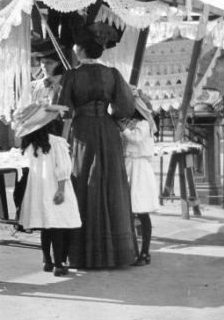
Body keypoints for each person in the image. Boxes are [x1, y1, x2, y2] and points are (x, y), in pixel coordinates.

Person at [57, 22, 138, 269]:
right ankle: (116, 251)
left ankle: (84, 252)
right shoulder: (113, 74)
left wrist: (62, 140)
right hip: (108, 131)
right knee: (109, 183)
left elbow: (64, 111)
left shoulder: (71, 75)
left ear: (80, 50)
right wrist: (113, 121)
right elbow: (126, 108)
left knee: (82, 183)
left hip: (82, 133)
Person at [13, 102, 81, 277]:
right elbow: (63, 169)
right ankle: (59, 263)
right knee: (59, 225)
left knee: (46, 226)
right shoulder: (57, 142)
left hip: (38, 191)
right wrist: (61, 190)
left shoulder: (29, 146)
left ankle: (47, 261)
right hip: (55, 187)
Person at [14, 40, 68, 226]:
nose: (45, 66)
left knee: (52, 176)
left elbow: (65, 110)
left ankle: (48, 215)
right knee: (25, 175)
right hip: (32, 134)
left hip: (52, 134)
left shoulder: (62, 85)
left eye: (50, 63)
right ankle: (23, 213)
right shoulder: (33, 85)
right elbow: (23, 109)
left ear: (58, 64)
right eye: (43, 62)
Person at [118, 89, 161, 267]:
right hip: (129, 165)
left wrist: (123, 129)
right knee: (129, 209)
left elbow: (135, 138)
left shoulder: (143, 123)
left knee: (141, 210)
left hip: (139, 168)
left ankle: (145, 251)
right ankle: (133, 250)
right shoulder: (132, 122)